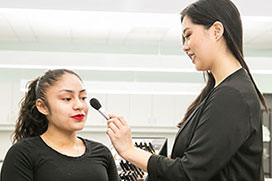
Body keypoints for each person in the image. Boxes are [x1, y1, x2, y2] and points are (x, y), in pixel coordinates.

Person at [106, 0, 267, 180]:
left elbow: (189, 173)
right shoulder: (221, 91)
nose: (185, 46)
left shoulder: (232, 95)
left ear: (216, 31)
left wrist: (129, 151)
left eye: (188, 35)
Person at [1, 69, 119, 181]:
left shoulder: (102, 152)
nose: (79, 105)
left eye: (83, 98)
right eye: (67, 99)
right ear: (42, 107)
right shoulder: (23, 154)